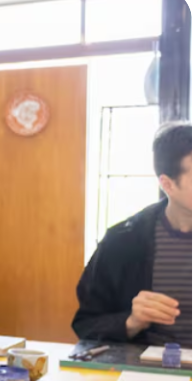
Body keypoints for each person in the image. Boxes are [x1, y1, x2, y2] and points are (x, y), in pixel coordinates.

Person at [73, 121, 192, 347]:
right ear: (168, 184)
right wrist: (132, 321)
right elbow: (86, 324)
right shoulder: (123, 241)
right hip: (147, 372)